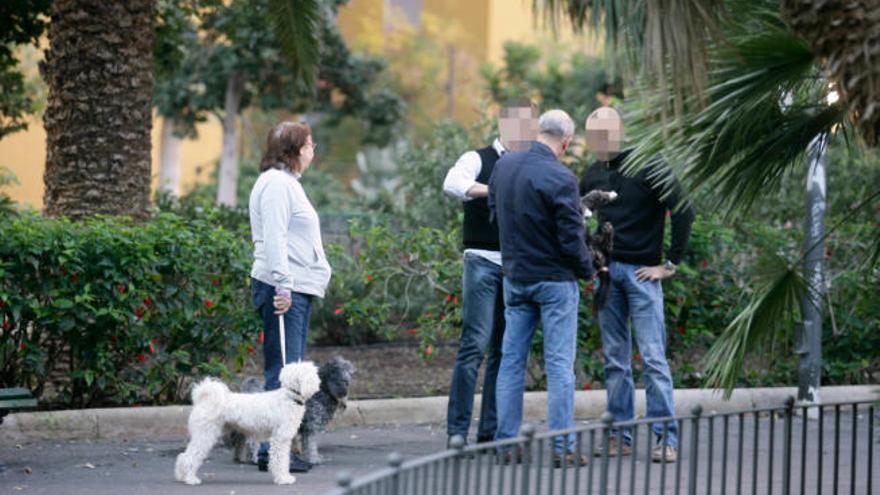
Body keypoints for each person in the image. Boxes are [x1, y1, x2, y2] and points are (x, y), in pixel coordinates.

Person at [581, 107, 694, 463]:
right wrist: (590, 260)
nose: (598, 142)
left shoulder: (649, 166)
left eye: (604, 134)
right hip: (607, 276)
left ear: (619, 132)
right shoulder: (592, 174)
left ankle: (666, 439)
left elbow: (685, 209)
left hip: (643, 275)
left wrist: (669, 265)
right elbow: (576, 218)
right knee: (616, 360)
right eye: (592, 134)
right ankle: (620, 436)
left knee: (653, 358)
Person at [489, 109, 595, 468]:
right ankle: (562, 448)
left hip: (515, 277)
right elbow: (571, 238)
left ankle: (507, 444)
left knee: (511, 362)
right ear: (565, 142)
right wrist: (589, 269)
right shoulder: (562, 177)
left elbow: (494, 212)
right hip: (554, 282)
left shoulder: (504, 166)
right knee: (560, 366)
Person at [442, 98, 538, 447]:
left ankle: (491, 432)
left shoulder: (529, 163)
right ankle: (457, 431)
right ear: (505, 125)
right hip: (482, 261)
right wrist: (496, 190)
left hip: (516, 265)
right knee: (473, 346)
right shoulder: (477, 158)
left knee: (504, 350)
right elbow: (453, 183)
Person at [248, 121, 332, 473]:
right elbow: (274, 239)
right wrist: (283, 287)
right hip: (286, 290)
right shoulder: (278, 186)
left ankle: (276, 448)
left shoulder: (284, 184)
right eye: (310, 144)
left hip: (294, 287)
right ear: (295, 150)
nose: (313, 150)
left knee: (288, 370)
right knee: (284, 374)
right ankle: (271, 451)